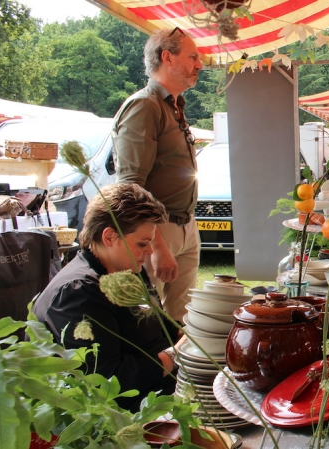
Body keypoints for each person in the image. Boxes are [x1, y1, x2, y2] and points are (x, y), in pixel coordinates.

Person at [33, 183, 179, 411]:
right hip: (127, 413)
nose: (150, 251)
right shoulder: (78, 293)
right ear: (109, 237)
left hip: (163, 390)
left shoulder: (129, 270)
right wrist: (178, 354)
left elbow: (159, 328)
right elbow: (109, 384)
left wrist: (196, 333)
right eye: (142, 243)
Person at [112, 28, 204, 322]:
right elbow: (130, 187)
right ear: (167, 57)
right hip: (157, 231)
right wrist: (156, 245)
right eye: (192, 57)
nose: (199, 64)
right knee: (149, 324)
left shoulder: (173, 105)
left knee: (183, 322)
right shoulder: (144, 105)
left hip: (185, 225)